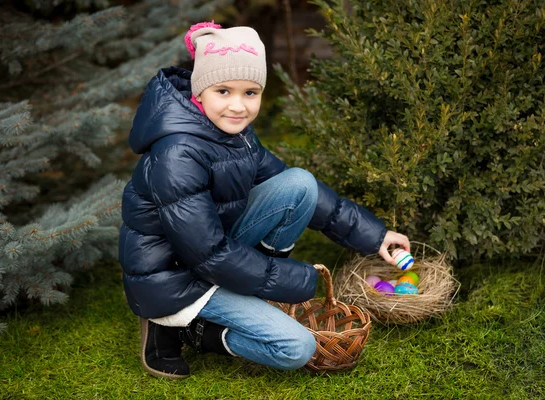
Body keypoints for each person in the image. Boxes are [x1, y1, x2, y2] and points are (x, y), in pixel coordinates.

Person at [119, 21, 411, 379]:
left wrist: (375, 236)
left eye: (250, 92)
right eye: (223, 91)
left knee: (299, 184)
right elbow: (206, 254)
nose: (238, 106)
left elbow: (291, 187)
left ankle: (249, 295)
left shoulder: (235, 133)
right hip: (176, 275)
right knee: (296, 348)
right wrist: (293, 280)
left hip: (214, 253)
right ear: (199, 91)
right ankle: (189, 329)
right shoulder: (177, 154)